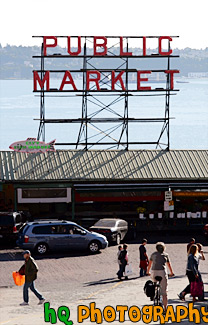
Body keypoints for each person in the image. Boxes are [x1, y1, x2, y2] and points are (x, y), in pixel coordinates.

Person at [146, 242, 174, 311]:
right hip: (162, 272)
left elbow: (150, 264)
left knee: (154, 282)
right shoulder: (165, 255)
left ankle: (154, 293)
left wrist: (148, 272)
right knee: (164, 292)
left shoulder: (153, 254)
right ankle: (165, 309)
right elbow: (169, 265)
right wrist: (171, 273)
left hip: (154, 272)